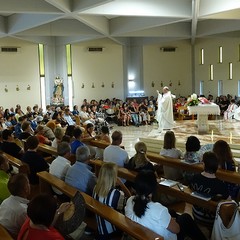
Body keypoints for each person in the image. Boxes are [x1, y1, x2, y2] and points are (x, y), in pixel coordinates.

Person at [125, 170, 207, 240]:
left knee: (172, 212)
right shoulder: (158, 209)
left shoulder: (130, 200)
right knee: (186, 218)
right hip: (164, 237)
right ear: (153, 189)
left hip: (142, 233)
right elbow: (177, 230)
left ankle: (173, 220)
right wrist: (173, 222)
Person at [189, 152, 230, 227]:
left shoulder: (195, 178)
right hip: (211, 218)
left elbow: (190, 189)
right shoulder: (220, 185)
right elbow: (228, 201)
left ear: (204, 164)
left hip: (196, 213)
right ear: (217, 166)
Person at [93, 162, 130, 239]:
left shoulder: (95, 188)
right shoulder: (116, 194)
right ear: (113, 177)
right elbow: (129, 199)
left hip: (100, 225)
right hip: (112, 230)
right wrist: (122, 185)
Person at [0, 174, 30, 238]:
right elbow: (28, 229)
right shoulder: (23, 210)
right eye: (28, 183)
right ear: (26, 189)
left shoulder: (5, 201)